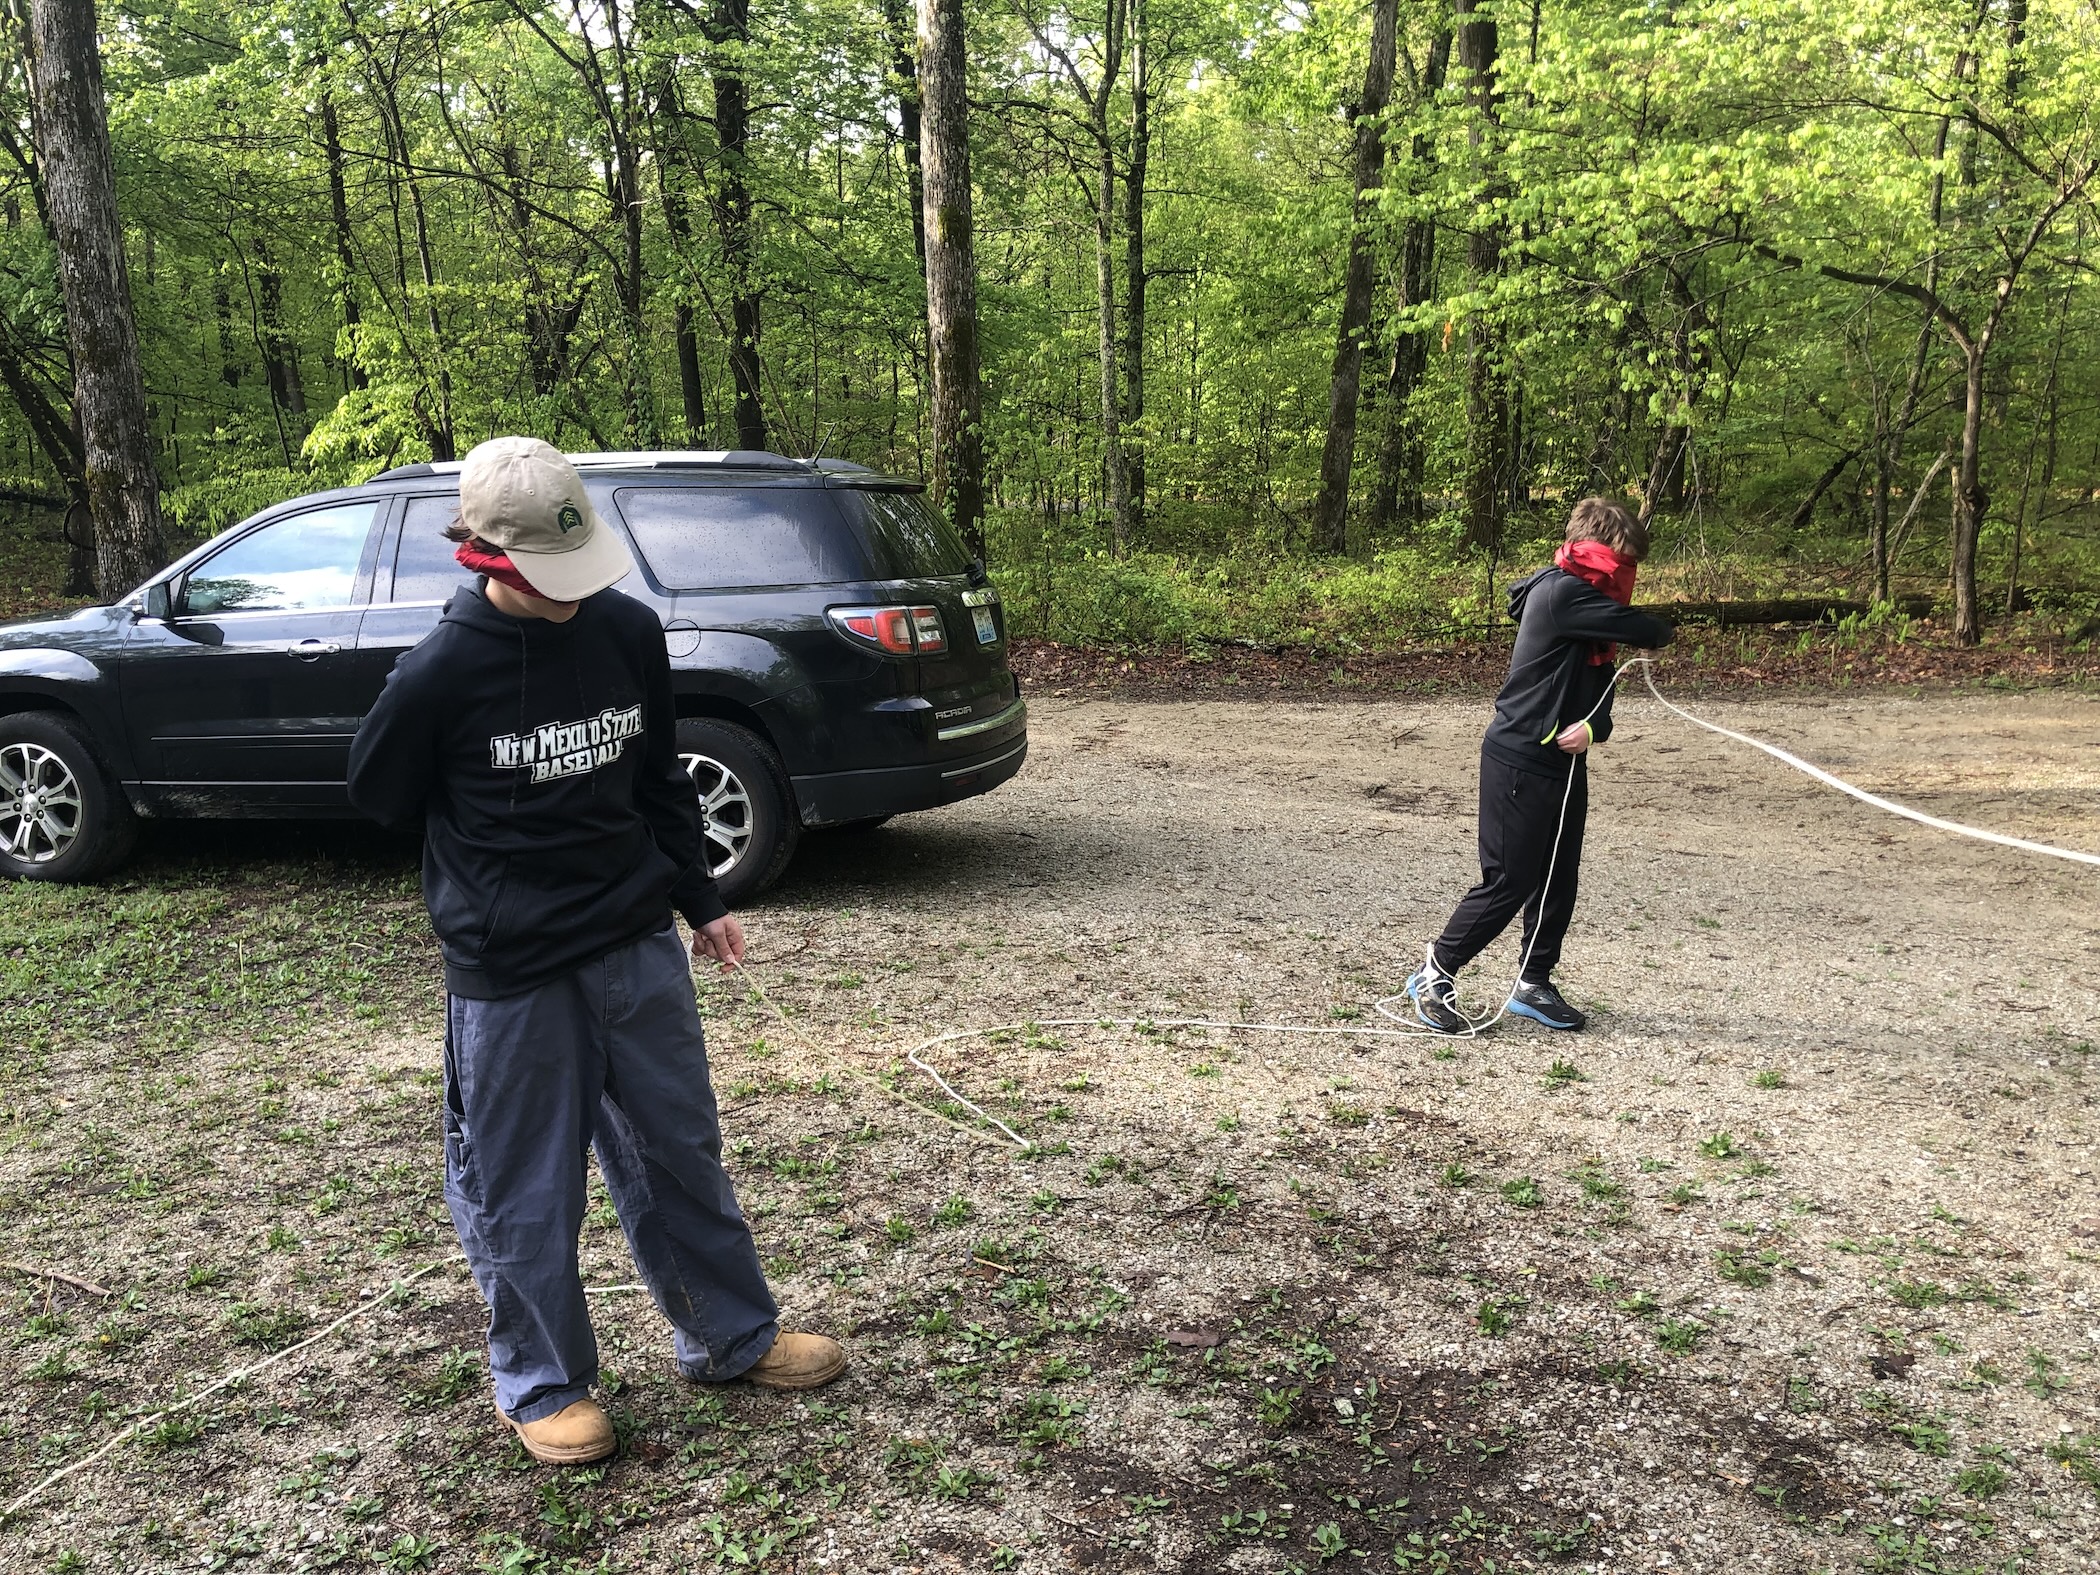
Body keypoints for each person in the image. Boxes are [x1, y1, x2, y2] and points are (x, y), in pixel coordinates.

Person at [348, 436, 844, 1467]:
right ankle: (544, 1383)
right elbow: (380, 794)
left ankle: (729, 1334)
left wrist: (700, 899)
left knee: (679, 1150)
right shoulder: (441, 670)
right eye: (550, 575)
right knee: (526, 1188)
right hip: (515, 971)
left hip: (636, 941)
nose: (573, 592)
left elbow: (659, 777)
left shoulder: (624, 629)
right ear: (487, 554)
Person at [1406, 497, 1675, 1034]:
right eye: (1620, 561)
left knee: (1557, 876)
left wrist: (1593, 730)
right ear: (1593, 551)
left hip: (1564, 764)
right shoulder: (1561, 593)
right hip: (1519, 757)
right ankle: (1433, 975)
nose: (1625, 574)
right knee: (1510, 878)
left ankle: (1533, 983)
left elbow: (1600, 698)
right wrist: (1657, 629)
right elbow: (1651, 629)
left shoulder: (1592, 616)